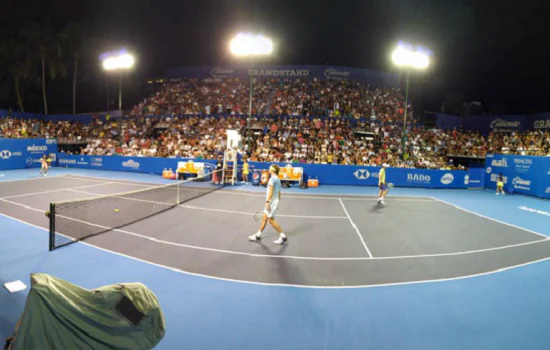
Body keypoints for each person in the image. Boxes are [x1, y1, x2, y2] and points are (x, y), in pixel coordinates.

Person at [249, 164, 287, 244]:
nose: (268, 169)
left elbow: (271, 192)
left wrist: (268, 202)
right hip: (274, 201)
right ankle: (258, 235)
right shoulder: (278, 179)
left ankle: (283, 236)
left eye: (270, 169)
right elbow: (279, 192)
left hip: (271, 202)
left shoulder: (272, 179)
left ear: (272, 170)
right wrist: (277, 202)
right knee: (264, 218)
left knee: (271, 220)